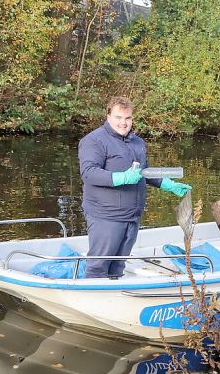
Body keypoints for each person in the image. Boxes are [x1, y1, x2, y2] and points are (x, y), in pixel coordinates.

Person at [78, 96, 192, 278]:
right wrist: (121, 177)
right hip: (105, 215)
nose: (123, 123)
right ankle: (92, 300)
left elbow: (144, 172)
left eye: (128, 118)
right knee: (98, 266)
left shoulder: (137, 143)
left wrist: (167, 183)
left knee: (118, 265)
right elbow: (89, 173)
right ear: (108, 116)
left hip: (132, 216)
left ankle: (114, 297)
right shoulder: (94, 141)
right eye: (118, 118)